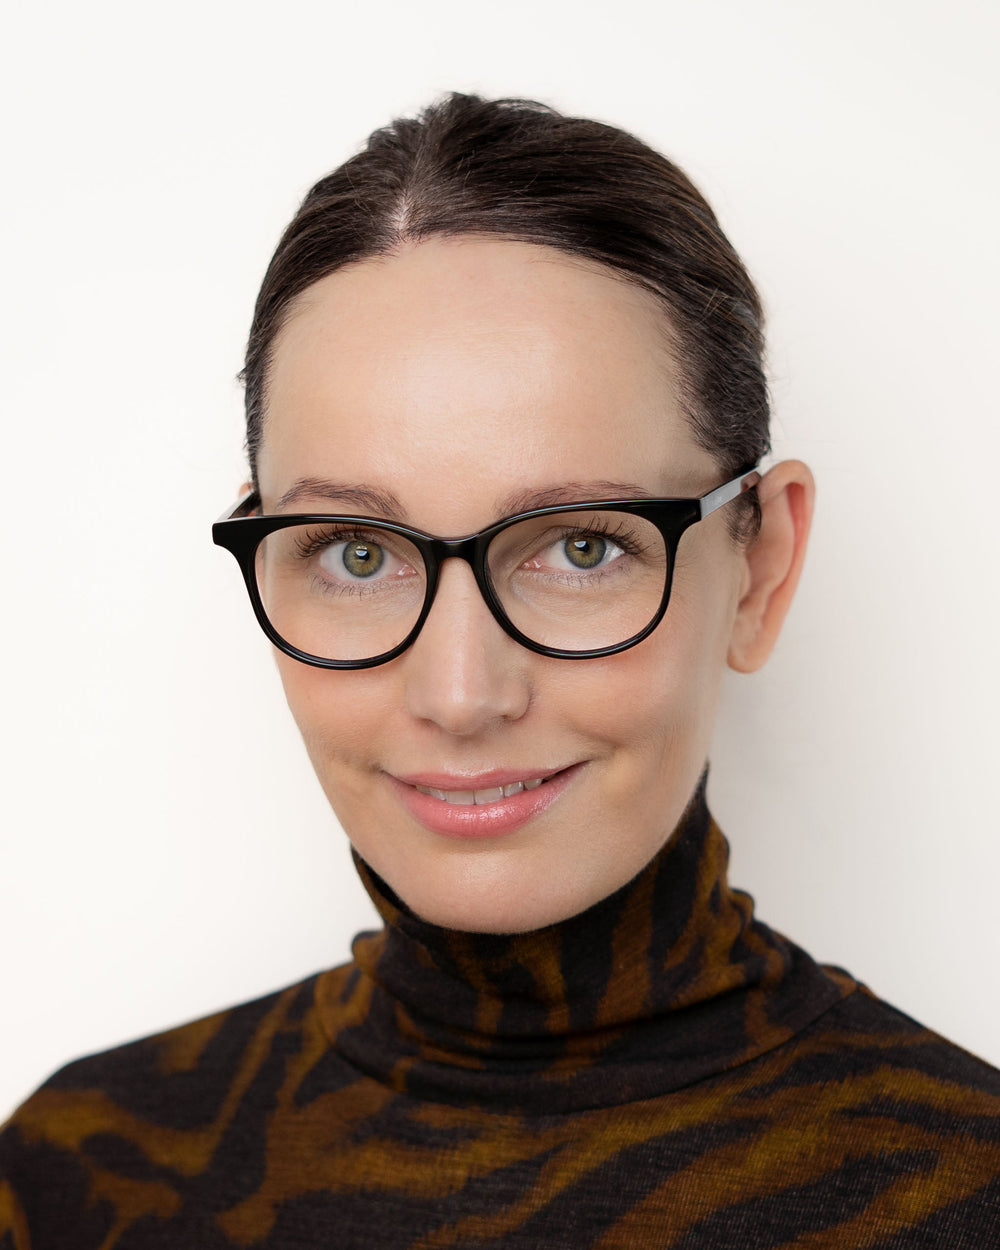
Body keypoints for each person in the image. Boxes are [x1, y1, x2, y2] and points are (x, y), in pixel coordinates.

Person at [2, 92, 998, 1247]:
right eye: (355, 551)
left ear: (759, 566)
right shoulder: (71, 1179)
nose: (461, 694)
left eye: (582, 547)